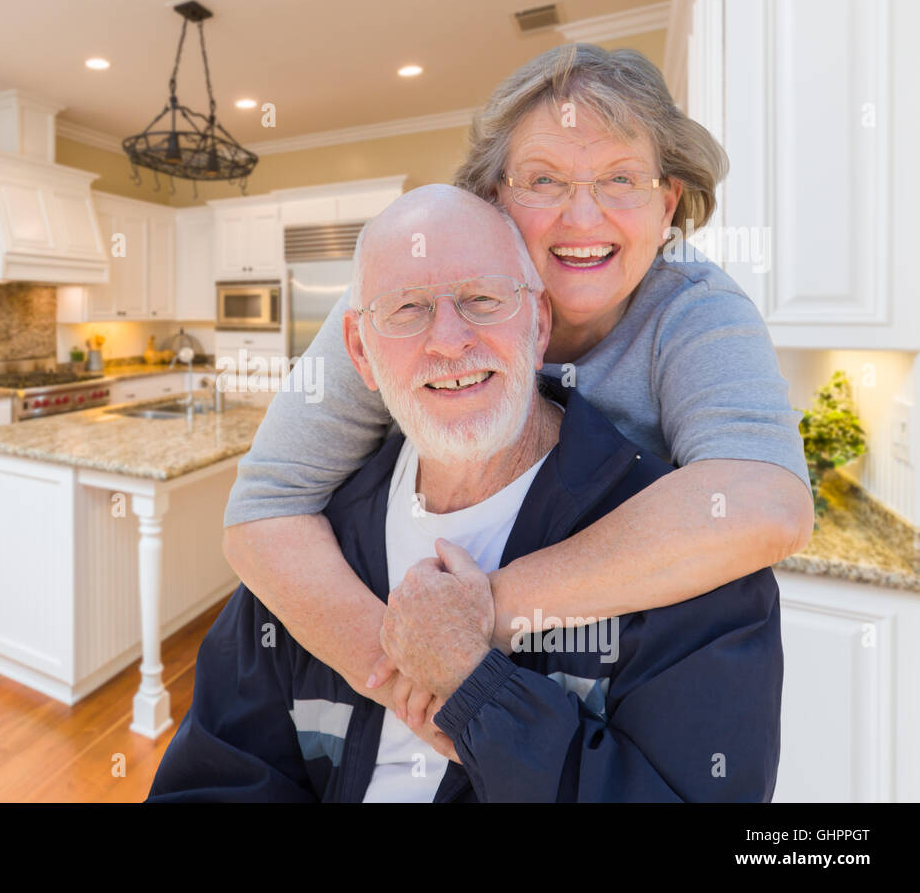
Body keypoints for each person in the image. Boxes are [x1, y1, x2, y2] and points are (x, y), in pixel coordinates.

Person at [221, 44, 812, 747]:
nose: (583, 219)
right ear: (493, 198)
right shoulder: (401, 307)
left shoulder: (694, 308)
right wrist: (405, 675)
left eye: (621, 179)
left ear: (668, 203)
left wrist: (483, 610)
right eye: (544, 180)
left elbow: (765, 503)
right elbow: (264, 507)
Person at [148, 187, 781, 802]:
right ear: (359, 353)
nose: (449, 341)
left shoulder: (689, 560)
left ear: (538, 325)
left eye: (482, 299)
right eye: (406, 308)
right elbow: (217, 775)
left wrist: (479, 693)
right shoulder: (311, 551)